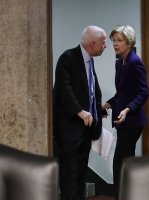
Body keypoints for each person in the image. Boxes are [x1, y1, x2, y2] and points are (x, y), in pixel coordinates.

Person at [53, 25, 107, 200]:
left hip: (86, 130)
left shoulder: (89, 61)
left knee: (81, 176)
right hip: (70, 130)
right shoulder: (68, 58)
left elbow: (89, 93)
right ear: (92, 44)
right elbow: (63, 89)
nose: (105, 46)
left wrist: (98, 111)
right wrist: (80, 111)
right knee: (69, 177)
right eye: (103, 42)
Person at [102, 25, 149, 198]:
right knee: (126, 161)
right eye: (114, 40)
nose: (115, 44)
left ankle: (120, 196)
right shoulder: (119, 62)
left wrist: (128, 109)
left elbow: (144, 92)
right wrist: (109, 103)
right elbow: (123, 92)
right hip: (124, 120)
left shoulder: (135, 62)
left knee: (119, 162)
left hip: (132, 121)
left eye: (119, 40)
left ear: (129, 43)